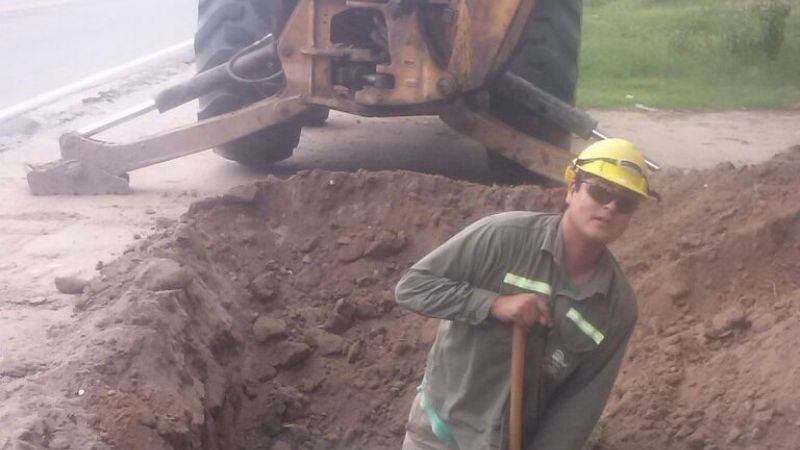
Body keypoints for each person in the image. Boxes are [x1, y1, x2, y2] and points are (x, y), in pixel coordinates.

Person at [396, 138, 656, 450]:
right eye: (600, 191)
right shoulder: (503, 237)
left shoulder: (618, 307)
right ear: (572, 188)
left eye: (625, 202)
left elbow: (580, 404)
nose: (611, 206)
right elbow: (413, 286)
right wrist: (492, 304)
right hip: (441, 432)